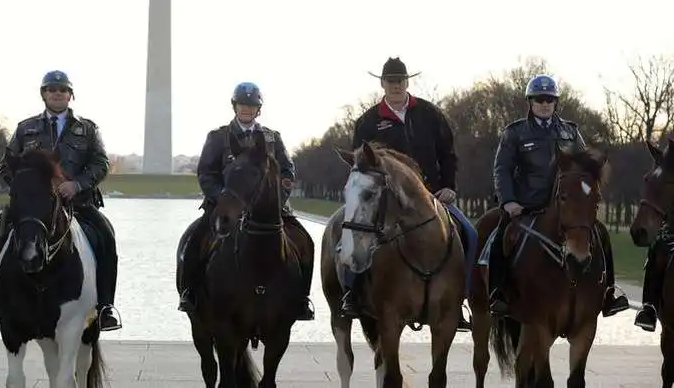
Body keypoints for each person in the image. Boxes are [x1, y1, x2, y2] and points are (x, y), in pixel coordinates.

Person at [0, 70, 122, 331]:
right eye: (51, 89)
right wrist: (26, 189)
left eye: (62, 89)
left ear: (71, 95)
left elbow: (101, 163)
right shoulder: (26, 128)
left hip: (77, 203)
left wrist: (77, 184)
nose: (57, 93)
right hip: (34, 206)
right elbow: (7, 164)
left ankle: (105, 306)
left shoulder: (88, 129)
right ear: (43, 94)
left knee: (106, 236)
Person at [341, 56, 477, 332]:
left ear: (407, 82)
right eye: (391, 81)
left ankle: (460, 299)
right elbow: (361, 164)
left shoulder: (430, 114)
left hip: (433, 198)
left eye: (400, 81)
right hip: (386, 202)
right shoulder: (368, 121)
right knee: (352, 234)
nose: (396, 86)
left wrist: (449, 186)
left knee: (470, 233)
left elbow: (447, 154)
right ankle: (352, 293)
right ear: (382, 83)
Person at [490, 74, 629, 318]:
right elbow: (502, 169)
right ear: (530, 102)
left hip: (567, 206)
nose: (545, 104)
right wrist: (508, 201)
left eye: (550, 99)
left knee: (601, 234)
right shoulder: (515, 133)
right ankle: (498, 292)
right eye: (539, 99)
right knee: (499, 236)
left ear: (556, 103)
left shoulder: (570, 131)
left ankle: (608, 294)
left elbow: (584, 166)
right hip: (526, 205)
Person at [178, 81, 315, 321]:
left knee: (306, 242)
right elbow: (206, 173)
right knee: (194, 240)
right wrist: (223, 197)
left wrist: (278, 200)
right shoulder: (218, 137)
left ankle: (301, 300)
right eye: (243, 105)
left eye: (251, 106)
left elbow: (287, 172)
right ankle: (190, 293)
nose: (246, 110)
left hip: (270, 212)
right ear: (235, 106)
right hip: (226, 207)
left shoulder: (273, 138)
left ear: (258, 109)